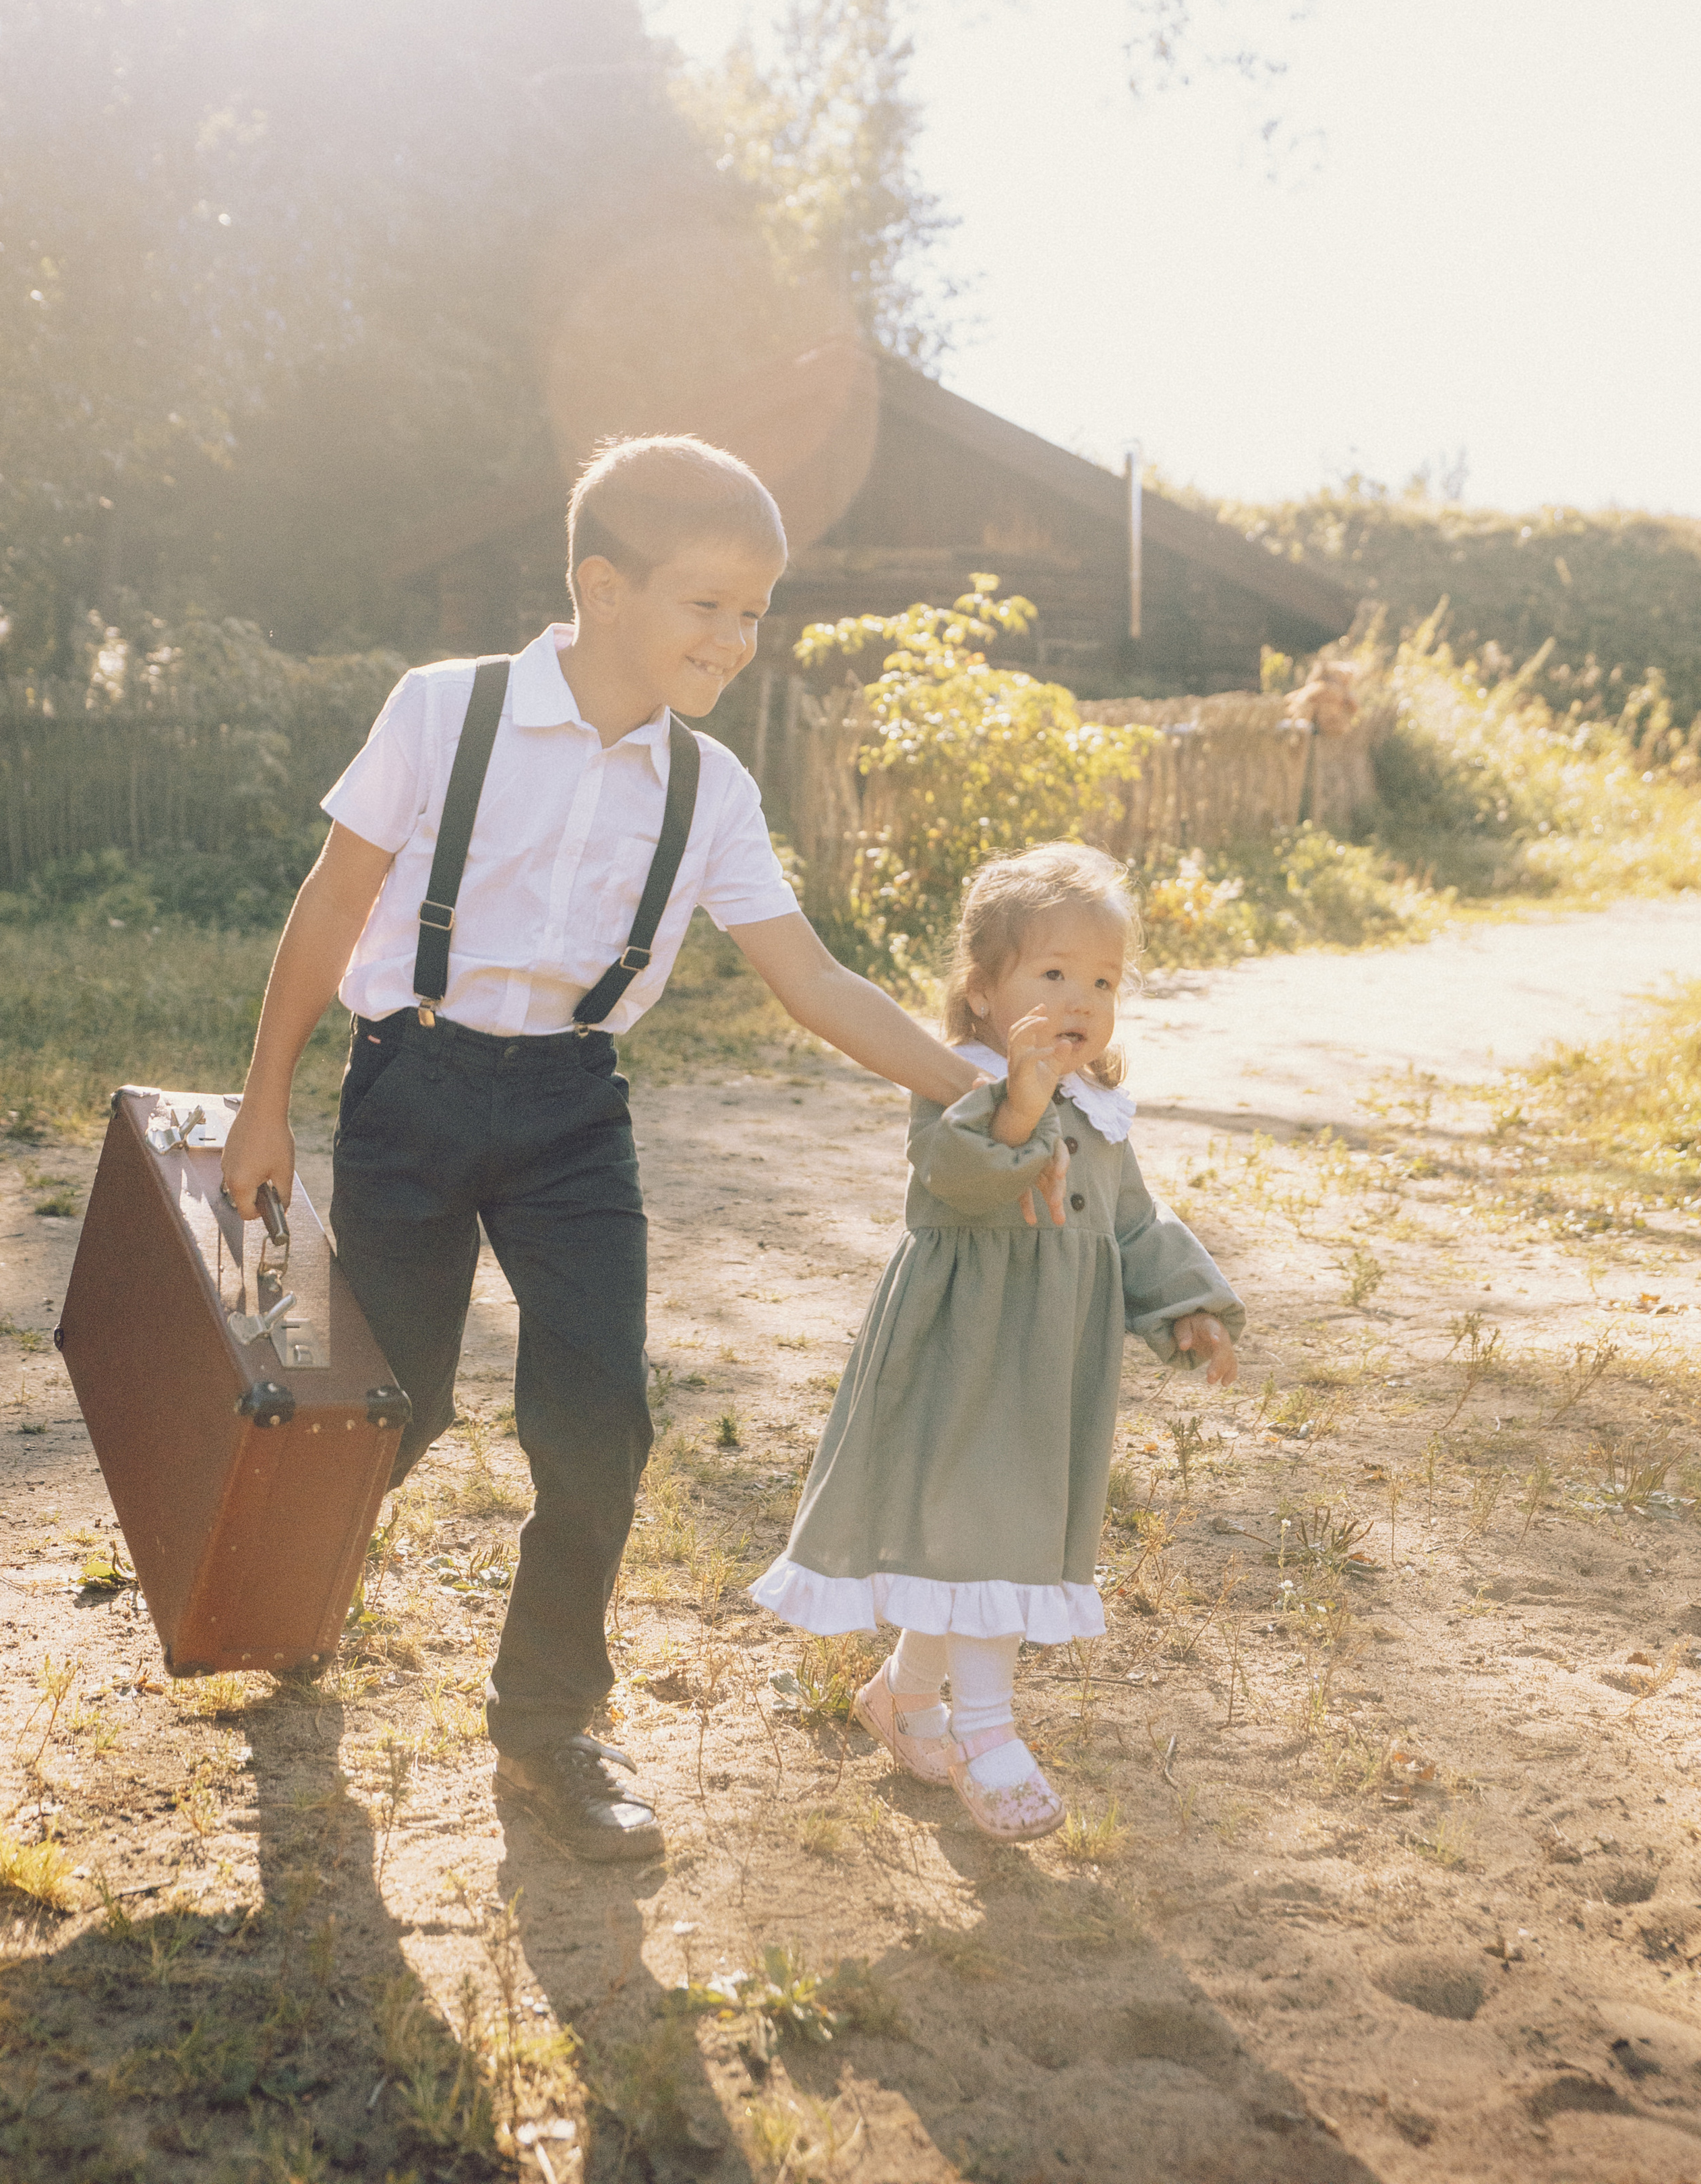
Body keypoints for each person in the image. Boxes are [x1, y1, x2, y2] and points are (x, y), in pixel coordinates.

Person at [220, 435, 1050, 1862]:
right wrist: (262, 1102)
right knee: (390, 1410)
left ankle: (550, 1726)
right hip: (410, 1084)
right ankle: (285, 1587)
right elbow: (334, 902)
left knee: (598, 1424)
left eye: (752, 613)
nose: (733, 640)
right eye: (707, 604)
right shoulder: (445, 712)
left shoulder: (709, 788)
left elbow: (812, 977)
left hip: (570, 1116)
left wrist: (983, 1084)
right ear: (602, 587)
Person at [750, 842, 1244, 1842]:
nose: (1081, 996)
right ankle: (985, 1728)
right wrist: (1020, 1103)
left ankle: (903, 1695)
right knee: (985, 1534)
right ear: (980, 992)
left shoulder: (1101, 1107)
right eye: (1052, 973)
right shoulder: (961, 1080)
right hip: (964, 1349)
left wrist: (1187, 1308)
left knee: (978, 1541)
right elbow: (956, 1177)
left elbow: (1132, 1225)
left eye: (1102, 980)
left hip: (1049, 1363)